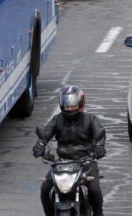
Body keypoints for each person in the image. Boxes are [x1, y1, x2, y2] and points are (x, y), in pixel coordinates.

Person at [33, 86, 107, 216]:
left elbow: (99, 133)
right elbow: (45, 133)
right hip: (61, 163)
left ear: (80, 104)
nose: (70, 108)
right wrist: (39, 144)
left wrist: (99, 146)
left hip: (86, 162)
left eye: (73, 106)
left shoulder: (90, 119)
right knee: (45, 188)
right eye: (67, 106)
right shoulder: (57, 120)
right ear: (62, 105)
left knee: (94, 189)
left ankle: (98, 214)